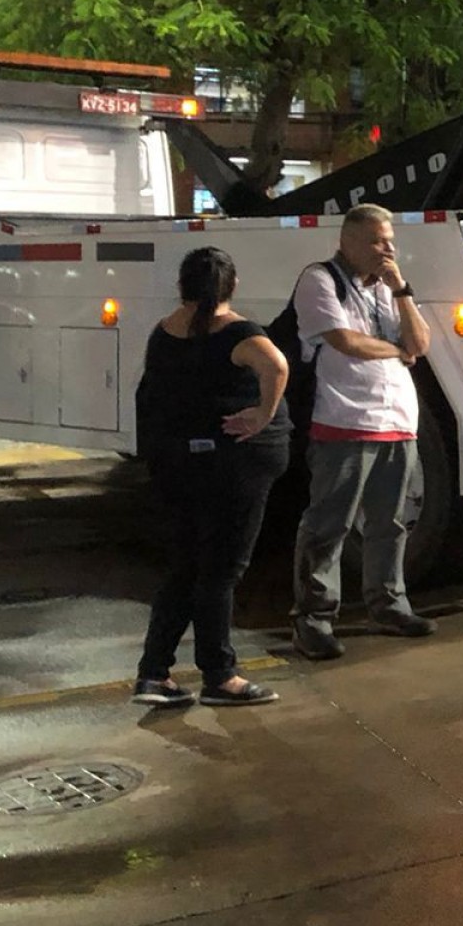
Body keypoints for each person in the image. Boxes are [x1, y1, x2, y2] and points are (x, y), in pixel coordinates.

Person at [132, 247, 291, 708]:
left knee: (185, 565)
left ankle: (154, 674)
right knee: (221, 570)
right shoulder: (238, 333)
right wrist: (263, 415)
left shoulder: (164, 332)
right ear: (232, 285)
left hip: (179, 465)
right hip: (230, 468)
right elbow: (277, 366)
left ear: (181, 286)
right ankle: (220, 675)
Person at [290, 203, 436, 660]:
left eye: (390, 241)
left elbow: (420, 344)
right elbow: (344, 340)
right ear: (347, 241)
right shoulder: (320, 279)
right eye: (376, 241)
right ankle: (313, 620)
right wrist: (396, 350)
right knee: (328, 526)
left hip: (397, 423)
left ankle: (388, 605)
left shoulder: (389, 289)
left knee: (390, 524)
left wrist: (402, 290)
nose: (386, 250)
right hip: (343, 421)